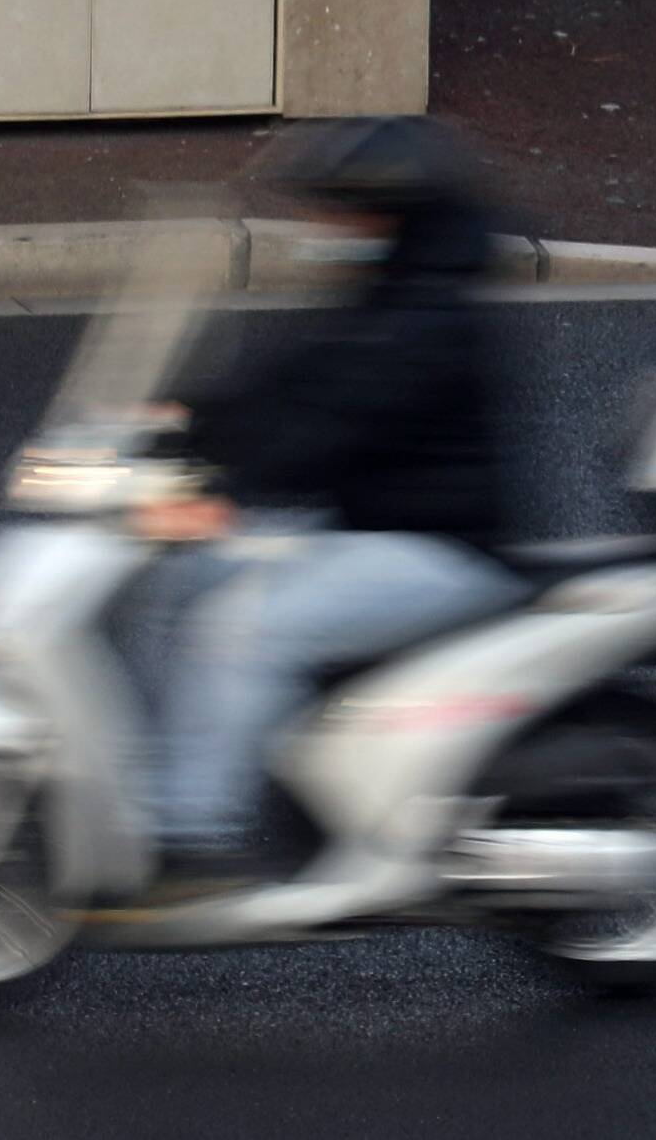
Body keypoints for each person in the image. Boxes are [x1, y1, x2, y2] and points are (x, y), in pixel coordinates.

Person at [129, 116, 527, 892]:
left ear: (387, 215)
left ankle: (192, 830)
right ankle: (162, 772)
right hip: (369, 525)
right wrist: (184, 417)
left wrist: (224, 493)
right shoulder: (393, 290)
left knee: (241, 628)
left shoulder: (427, 318)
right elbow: (295, 383)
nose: (325, 226)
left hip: (435, 548)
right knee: (177, 575)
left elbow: (329, 426)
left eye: (339, 210)